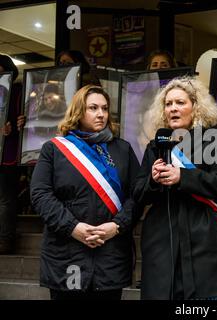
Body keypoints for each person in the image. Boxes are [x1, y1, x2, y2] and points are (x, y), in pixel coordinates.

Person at [30, 85, 140, 300]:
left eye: (105, 108)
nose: (101, 114)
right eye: (93, 108)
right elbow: (40, 194)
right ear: (78, 111)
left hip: (111, 252)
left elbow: (137, 196)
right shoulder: (54, 149)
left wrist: (117, 226)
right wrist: (73, 228)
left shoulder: (122, 149)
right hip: (67, 252)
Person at [133, 76, 217, 300]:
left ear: (196, 107)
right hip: (162, 240)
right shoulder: (155, 146)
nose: (173, 109)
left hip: (203, 237)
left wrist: (184, 176)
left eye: (180, 103)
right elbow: (138, 192)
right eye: (168, 104)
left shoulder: (214, 140)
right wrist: (152, 179)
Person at [0, 54, 25, 254]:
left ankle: (5, 239)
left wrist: (13, 129)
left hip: (9, 153)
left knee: (6, 198)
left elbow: (23, 121)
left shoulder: (17, 90)